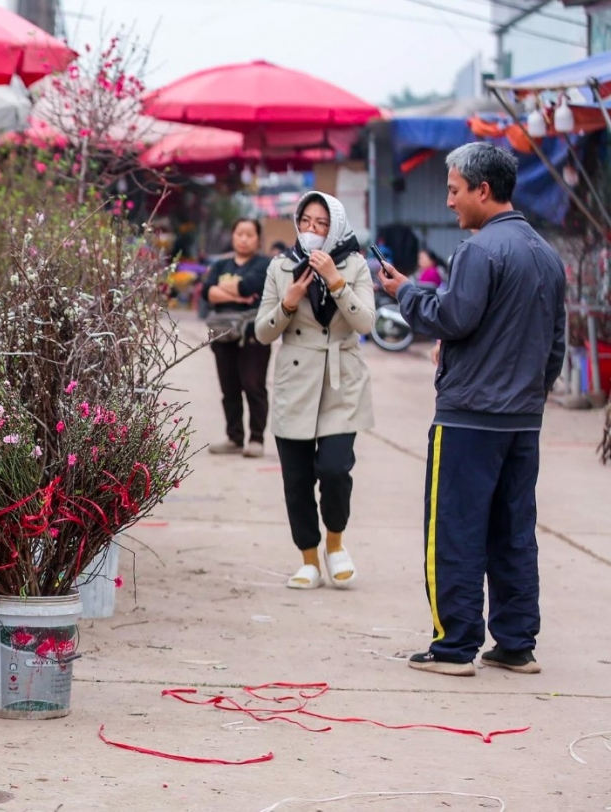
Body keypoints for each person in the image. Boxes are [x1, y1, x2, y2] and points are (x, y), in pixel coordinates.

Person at [378, 142, 566, 677]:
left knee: (455, 531)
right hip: (522, 421)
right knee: (512, 531)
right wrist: (531, 396)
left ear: (484, 190)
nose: (450, 203)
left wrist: (407, 292)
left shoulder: (481, 251)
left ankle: (454, 645)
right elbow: (555, 344)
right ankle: (515, 643)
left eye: (455, 191)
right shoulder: (546, 255)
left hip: (468, 418)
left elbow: (454, 317)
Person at [255, 192, 376, 590]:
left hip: (342, 381)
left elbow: (366, 323)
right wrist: (288, 303)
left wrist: (337, 282)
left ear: (335, 227)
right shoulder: (281, 266)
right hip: (296, 380)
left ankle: (336, 544)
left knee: (335, 469)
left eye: (321, 224)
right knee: (297, 478)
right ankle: (308, 557)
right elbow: (262, 332)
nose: (311, 230)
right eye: (305, 221)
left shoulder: (356, 265)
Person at [204, 218, 271, 457]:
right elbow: (207, 292)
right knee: (228, 387)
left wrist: (227, 289)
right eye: (239, 233)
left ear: (258, 238)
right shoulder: (222, 264)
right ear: (232, 236)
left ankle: (256, 438)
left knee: (254, 385)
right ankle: (234, 437)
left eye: (249, 234)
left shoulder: (265, 264)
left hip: (253, 334)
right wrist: (238, 293)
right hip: (222, 333)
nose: (243, 238)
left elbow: (250, 286)